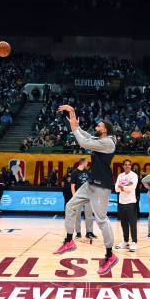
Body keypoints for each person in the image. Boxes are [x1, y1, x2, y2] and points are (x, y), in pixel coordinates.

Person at [53, 105, 118, 276]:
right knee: (70, 206)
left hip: (101, 187)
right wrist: (75, 123)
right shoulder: (101, 139)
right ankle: (69, 241)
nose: (96, 127)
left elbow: (83, 142)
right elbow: (88, 136)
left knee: (102, 220)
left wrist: (75, 129)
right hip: (90, 184)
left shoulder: (108, 142)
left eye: (99, 126)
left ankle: (110, 255)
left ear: (105, 129)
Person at [115, 159, 139, 251]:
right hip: (121, 202)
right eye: (125, 165)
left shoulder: (134, 175)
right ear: (123, 166)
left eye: (129, 164)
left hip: (131, 202)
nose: (127, 166)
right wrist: (125, 186)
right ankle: (125, 241)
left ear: (131, 166)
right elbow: (116, 189)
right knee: (123, 223)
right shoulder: (120, 175)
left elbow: (131, 188)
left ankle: (134, 242)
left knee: (132, 223)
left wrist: (122, 186)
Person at [71, 158, 96, 240]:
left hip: (87, 196)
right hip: (78, 196)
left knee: (89, 215)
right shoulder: (75, 172)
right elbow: (73, 186)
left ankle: (89, 232)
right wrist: (75, 197)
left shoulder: (87, 172)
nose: (87, 163)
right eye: (86, 162)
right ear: (83, 163)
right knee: (77, 215)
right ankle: (78, 233)